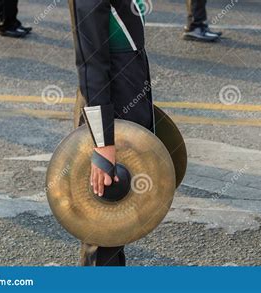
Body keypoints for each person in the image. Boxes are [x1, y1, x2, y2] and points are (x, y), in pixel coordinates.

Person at [69, 0, 155, 266]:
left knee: (115, 231)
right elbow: (91, 64)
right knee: (102, 232)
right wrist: (103, 143)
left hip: (127, 110)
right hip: (108, 123)